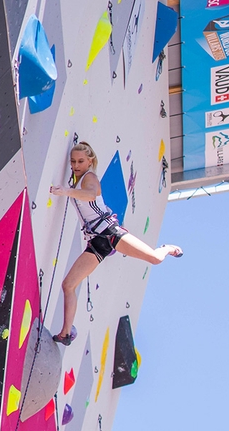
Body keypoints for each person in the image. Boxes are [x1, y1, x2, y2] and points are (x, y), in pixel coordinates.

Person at [50, 142, 183, 346]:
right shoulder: (76, 181)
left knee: (155, 258)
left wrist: (65, 191)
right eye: (73, 161)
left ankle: (166, 247)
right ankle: (66, 333)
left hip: (111, 233)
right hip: (96, 242)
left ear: (90, 161)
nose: (76, 165)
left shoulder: (89, 177)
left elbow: (91, 195)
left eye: (81, 161)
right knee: (68, 285)